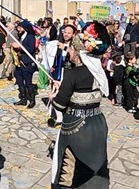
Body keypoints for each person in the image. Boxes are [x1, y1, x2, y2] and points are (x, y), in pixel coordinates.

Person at [50, 37, 110, 188]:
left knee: (71, 165)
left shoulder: (72, 73)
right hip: (97, 123)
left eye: (71, 49)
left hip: (77, 125)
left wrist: (54, 95)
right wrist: (64, 86)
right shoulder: (98, 71)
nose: (69, 52)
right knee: (96, 160)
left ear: (78, 53)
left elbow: (60, 104)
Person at [12, 20, 37, 108]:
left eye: (20, 28)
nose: (18, 29)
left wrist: (19, 46)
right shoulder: (21, 36)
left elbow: (30, 49)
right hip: (19, 63)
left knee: (28, 83)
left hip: (27, 63)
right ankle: (23, 99)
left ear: (25, 28)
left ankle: (32, 100)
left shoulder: (30, 37)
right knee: (19, 81)